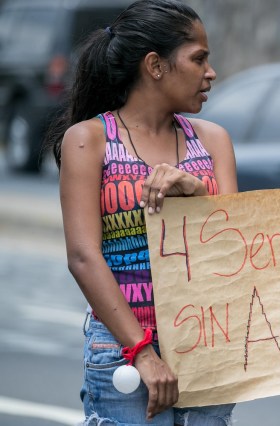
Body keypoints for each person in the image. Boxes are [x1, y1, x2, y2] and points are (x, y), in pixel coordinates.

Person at [46, 0, 238, 424]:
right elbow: (83, 257)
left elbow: (235, 250)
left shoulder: (214, 141)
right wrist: (142, 352)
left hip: (208, 345)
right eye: (199, 58)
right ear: (155, 65)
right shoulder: (89, 141)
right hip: (123, 355)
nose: (211, 72)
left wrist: (196, 191)